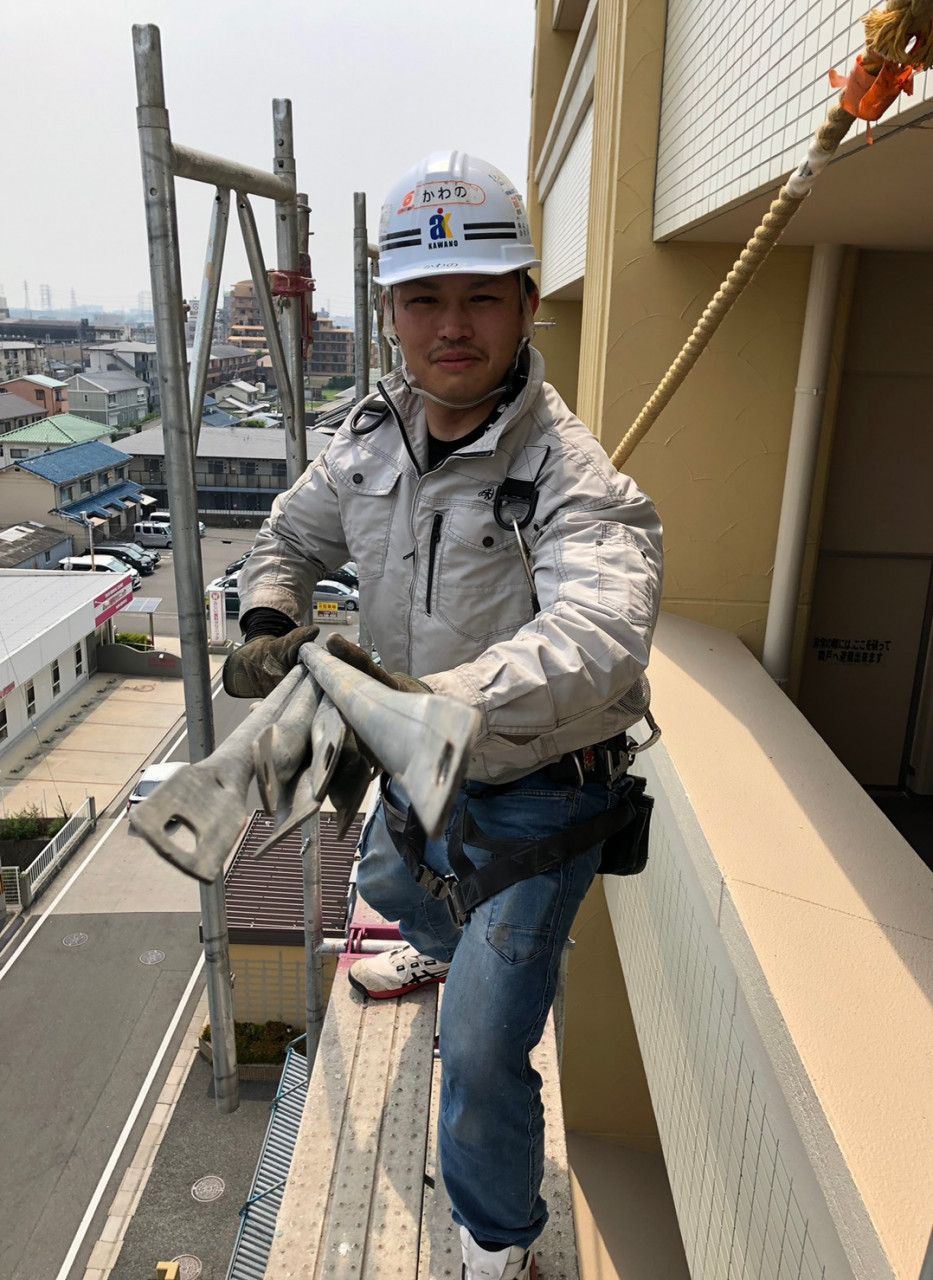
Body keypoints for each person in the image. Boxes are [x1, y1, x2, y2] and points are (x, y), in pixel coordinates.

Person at [224, 151, 663, 1280]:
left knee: (476, 1055)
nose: (452, 326)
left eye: (481, 296)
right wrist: (269, 608)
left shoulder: (567, 473)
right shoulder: (371, 435)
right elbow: (290, 533)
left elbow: (601, 629)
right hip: (418, 766)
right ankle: (455, 957)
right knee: (385, 881)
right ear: (389, 314)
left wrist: (438, 701)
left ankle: (496, 1245)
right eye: (424, 298)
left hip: (540, 792)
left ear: (526, 303)